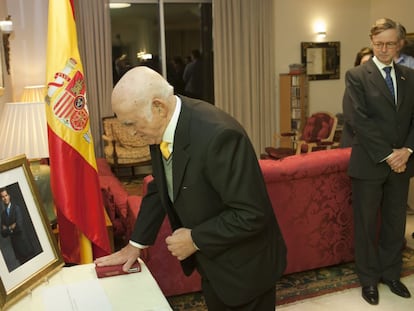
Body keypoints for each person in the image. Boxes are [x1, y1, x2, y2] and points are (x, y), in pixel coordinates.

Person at [95, 66, 287, 310]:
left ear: (158, 107)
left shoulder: (220, 136)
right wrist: (136, 244)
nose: (131, 132)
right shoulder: (158, 129)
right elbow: (159, 185)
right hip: (213, 262)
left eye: (132, 123)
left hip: (246, 268)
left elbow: (252, 214)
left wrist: (195, 239)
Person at [342, 17, 414, 305]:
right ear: (372, 42)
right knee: (367, 223)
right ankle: (369, 280)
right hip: (370, 163)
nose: (384, 49)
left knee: (396, 222)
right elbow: (358, 119)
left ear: (399, 45)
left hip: (402, 164)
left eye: (390, 44)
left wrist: (407, 150)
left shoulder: (410, 76)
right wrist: (388, 155)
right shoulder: (356, 75)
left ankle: (391, 274)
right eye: (378, 43)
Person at [341, 47, 374, 147]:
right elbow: (350, 115)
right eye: (364, 63)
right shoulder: (353, 83)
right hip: (355, 141)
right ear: (358, 65)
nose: (368, 66)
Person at [0, 187, 34, 266]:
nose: (5, 198)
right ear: (1, 199)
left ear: (9, 196)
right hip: (16, 248)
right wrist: (11, 227)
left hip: (24, 245)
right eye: (2, 197)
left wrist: (7, 229)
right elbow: (3, 234)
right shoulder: (3, 214)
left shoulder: (16, 208)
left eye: (6, 195)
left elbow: (19, 226)